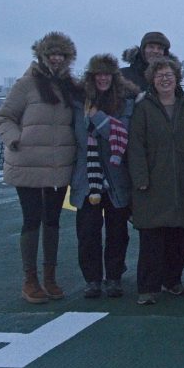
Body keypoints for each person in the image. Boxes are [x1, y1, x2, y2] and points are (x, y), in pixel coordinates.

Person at [0, 31, 79, 303]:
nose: (56, 59)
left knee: (53, 221)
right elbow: (4, 117)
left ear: (68, 58)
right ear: (42, 56)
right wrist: (14, 139)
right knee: (32, 219)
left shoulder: (70, 86)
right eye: (52, 54)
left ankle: (50, 277)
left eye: (61, 55)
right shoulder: (26, 84)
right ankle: (30, 279)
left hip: (58, 166)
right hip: (27, 164)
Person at [128, 57, 184, 305]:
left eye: (169, 75)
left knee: (178, 237)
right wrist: (140, 177)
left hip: (183, 183)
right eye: (160, 75)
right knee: (152, 239)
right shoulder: (144, 108)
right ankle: (148, 287)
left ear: (176, 78)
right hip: (152, 183)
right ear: (152, 79)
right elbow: (136, 146)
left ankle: (172, 280)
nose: (165, 79)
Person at [70, 54, 138, 298]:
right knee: (87, 232)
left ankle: (114, 277)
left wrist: (96, 115)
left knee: (117, 231)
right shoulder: (77, 104)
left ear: (114, 77)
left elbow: (120, 134)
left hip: (117, 176)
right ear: (91, 77)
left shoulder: (126, 103)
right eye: (98, 74)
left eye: (107, 74)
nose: (102, 78)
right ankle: (92, 279)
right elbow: (72, 138)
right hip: (86, 177)